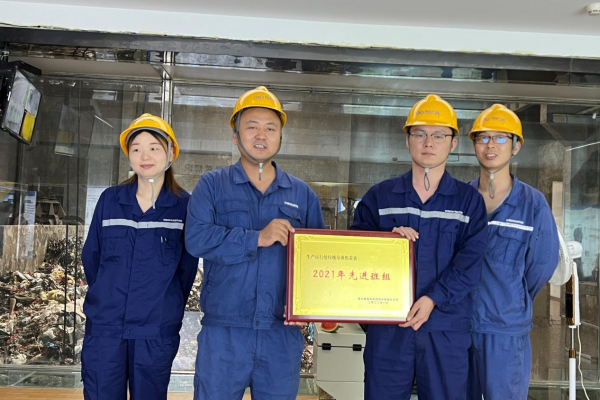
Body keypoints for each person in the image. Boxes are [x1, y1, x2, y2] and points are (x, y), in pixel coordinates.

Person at [185, 86, 325, 400]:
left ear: (280, 137)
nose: (261, 135)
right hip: (225, 332)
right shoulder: (212, 185)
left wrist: (317, 305)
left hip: (281, 332)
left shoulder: (302, 195)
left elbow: (318, 258)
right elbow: (196, 239)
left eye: (270, 128)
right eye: (252, 127)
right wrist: (257, 237)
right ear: (235, 136)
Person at [351, 94, 488, 399]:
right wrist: (386, 241)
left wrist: (433, 299)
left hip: (445, 329)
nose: (428, 143)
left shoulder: (468, 202)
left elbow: (470, 263)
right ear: (407, 140)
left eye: (439, 135)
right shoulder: (380, 197)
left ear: (453, 143)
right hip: (389, 328)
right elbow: (356, 255)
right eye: (420, 134)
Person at [81, 113, 199, 400]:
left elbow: (186, 270)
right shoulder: (110, 200)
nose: (145, 156)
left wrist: (166, 304)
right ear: (129, 156)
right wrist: (108, 296)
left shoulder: (184, 207)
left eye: (154, 148)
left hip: (155, 329)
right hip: (106, 327)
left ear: (170, 153)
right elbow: (92, 258)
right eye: (136, 149)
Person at [467, 104, 559, 399]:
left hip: (505, 332)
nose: (491, 145)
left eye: (501, 138)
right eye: (483, 137)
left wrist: (511, 297)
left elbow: (541, 265)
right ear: (473, 145)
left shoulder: (533, 204)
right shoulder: (461, 200)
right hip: (459, 327)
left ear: (516, 146)